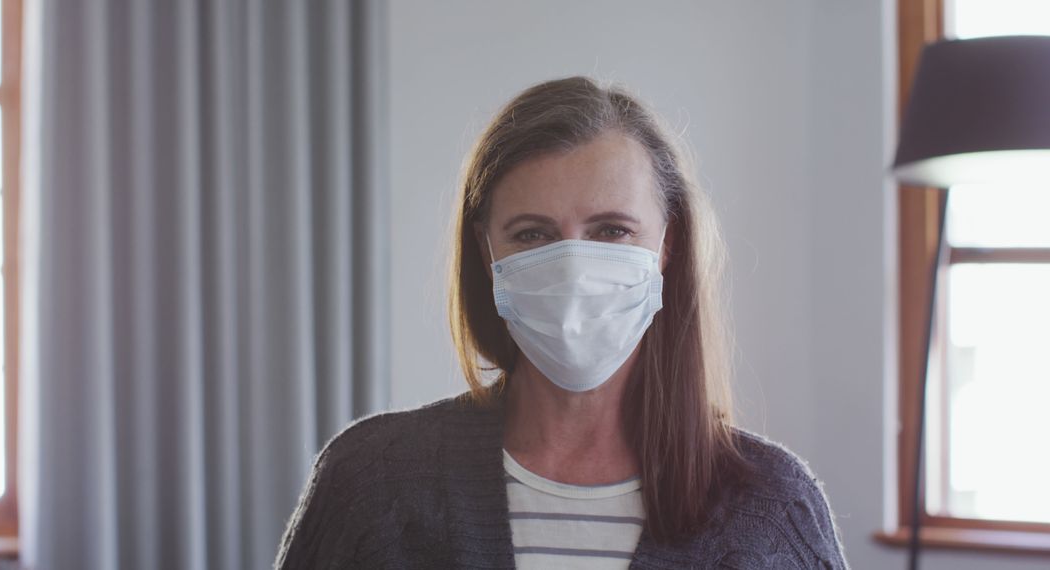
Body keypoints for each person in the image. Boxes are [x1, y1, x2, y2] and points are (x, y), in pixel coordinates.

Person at [274, 76, 849, 569]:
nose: (573, 268)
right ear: (487, 250)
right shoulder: (371, 482)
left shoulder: (771, 508)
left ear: (667, 245)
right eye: (533, 234)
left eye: (612, 231)